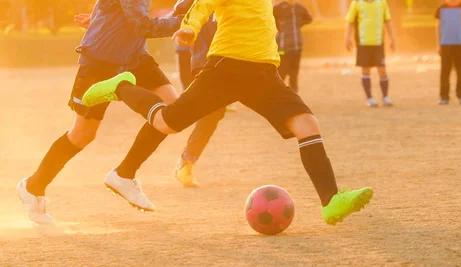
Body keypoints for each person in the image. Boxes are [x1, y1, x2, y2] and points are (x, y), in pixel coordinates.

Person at [81, 0, 374, 226]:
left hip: (264, 71)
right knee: (167, 122)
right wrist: (190, 29)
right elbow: (201, 6)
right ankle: (120, 88)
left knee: (307, 123)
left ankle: (331, 200)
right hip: (227, 68)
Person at [16, 0, 182, 224]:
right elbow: (142, 26)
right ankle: (32, 186)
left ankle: (124, 174)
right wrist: (185, 23)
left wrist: (99, 21)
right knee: (82, 135)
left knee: (172, 111)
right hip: (100, 62)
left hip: (135, 59)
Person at [171, 0, 224, 187]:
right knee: (209, 113)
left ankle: (187, 160)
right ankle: (186, 161)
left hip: (233, 59)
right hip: (206, 63)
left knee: (214, 113)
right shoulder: (190, 4)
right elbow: (176, 14)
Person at [345, 0, 396, 107]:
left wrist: (392, 39)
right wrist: (347, 38)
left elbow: (388, 21)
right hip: (363, 43)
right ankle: (369, 98)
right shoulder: (357, 3)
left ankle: (385, 97)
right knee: (365, 69)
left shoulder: (382, 2)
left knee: (382, 69)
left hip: (378, 43)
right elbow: (350, 22)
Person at [435, 0, 461, 105]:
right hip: (445, 43)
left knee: (460, 71)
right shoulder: (441, 9)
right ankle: (444, 96)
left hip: (460, 43)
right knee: (445, 71)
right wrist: (438, 44)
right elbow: (438, 27)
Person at [273, 0, 312, 93]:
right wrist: (279, 26)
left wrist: (298, 23)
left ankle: (294, 97)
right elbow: (269, 18)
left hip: (297, 47)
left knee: (294, 74)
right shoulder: (278, 8)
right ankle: (277, 94)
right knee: (281, 73)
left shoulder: (299, 8)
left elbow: (309, 19)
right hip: (283, 47)